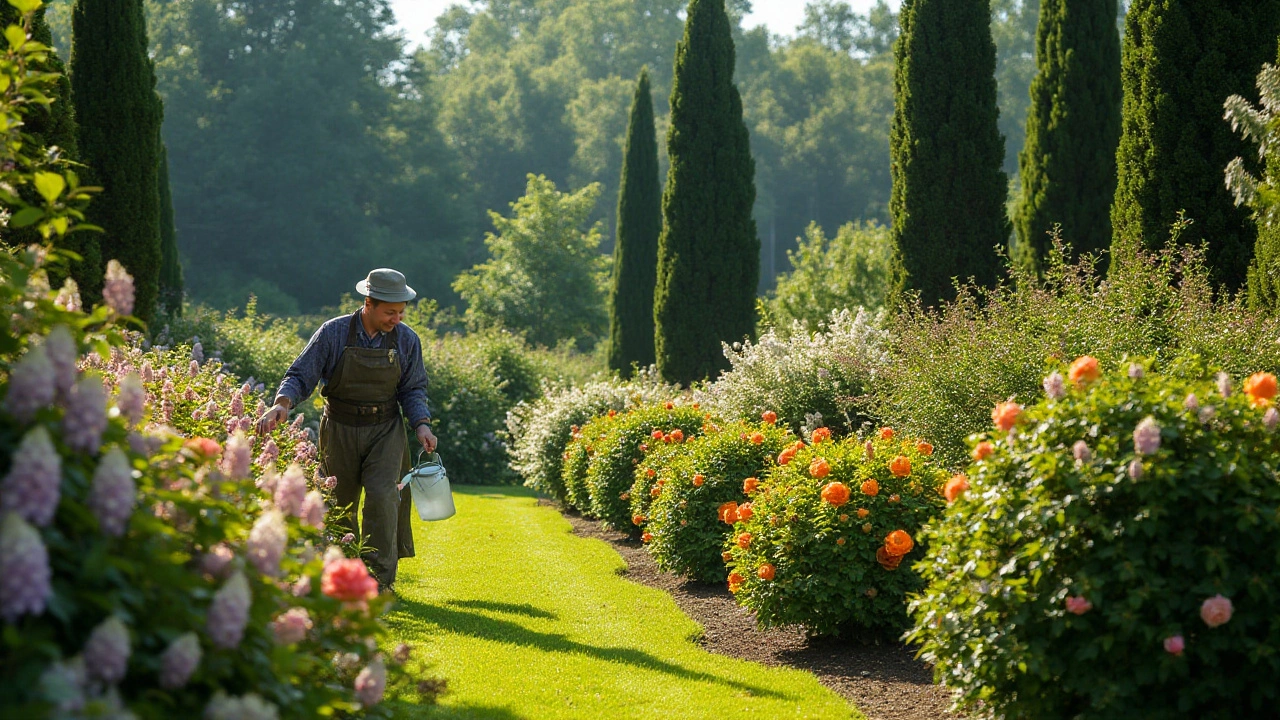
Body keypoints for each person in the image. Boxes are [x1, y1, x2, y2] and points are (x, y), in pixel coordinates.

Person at [257, 268, 438, 591]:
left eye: (400, 312)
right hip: (339, 427)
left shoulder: (407, 340)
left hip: (385, 430)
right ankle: (339, 577)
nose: (396, 318)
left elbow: (413, 389)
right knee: (339, 503)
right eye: (389, 312)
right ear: (368, 303)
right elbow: (301, 375)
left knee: (384, 499)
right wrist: (283, 403)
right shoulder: (333, 333)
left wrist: (421, 425)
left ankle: (379, 581)